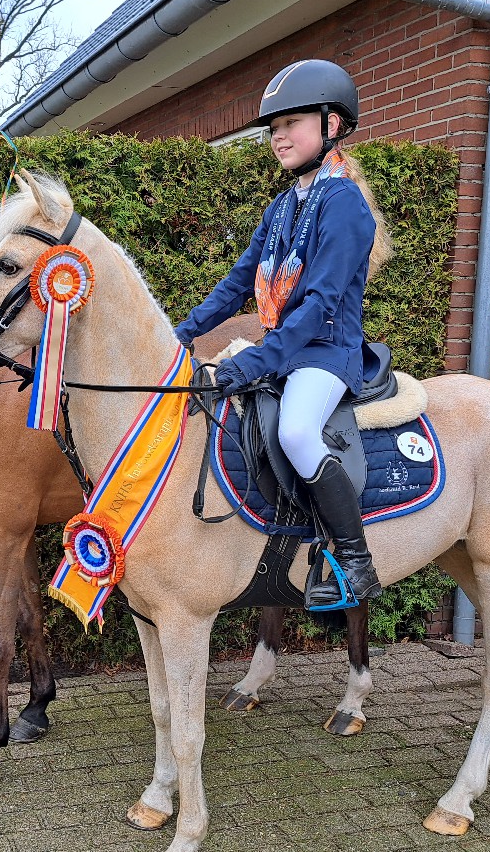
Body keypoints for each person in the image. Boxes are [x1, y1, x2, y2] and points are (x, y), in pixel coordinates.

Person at [173, 58, 393, 609]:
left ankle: (355, 561)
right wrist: (180, 332)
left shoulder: (345, 205)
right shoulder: (281, 208)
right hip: (286, 351)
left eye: (291, 123)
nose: (278, 137)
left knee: (296, 431)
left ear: (332, 125)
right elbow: (237, 285)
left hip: (325, 353)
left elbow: (320, 306)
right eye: (273, 128)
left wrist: (254, 360)